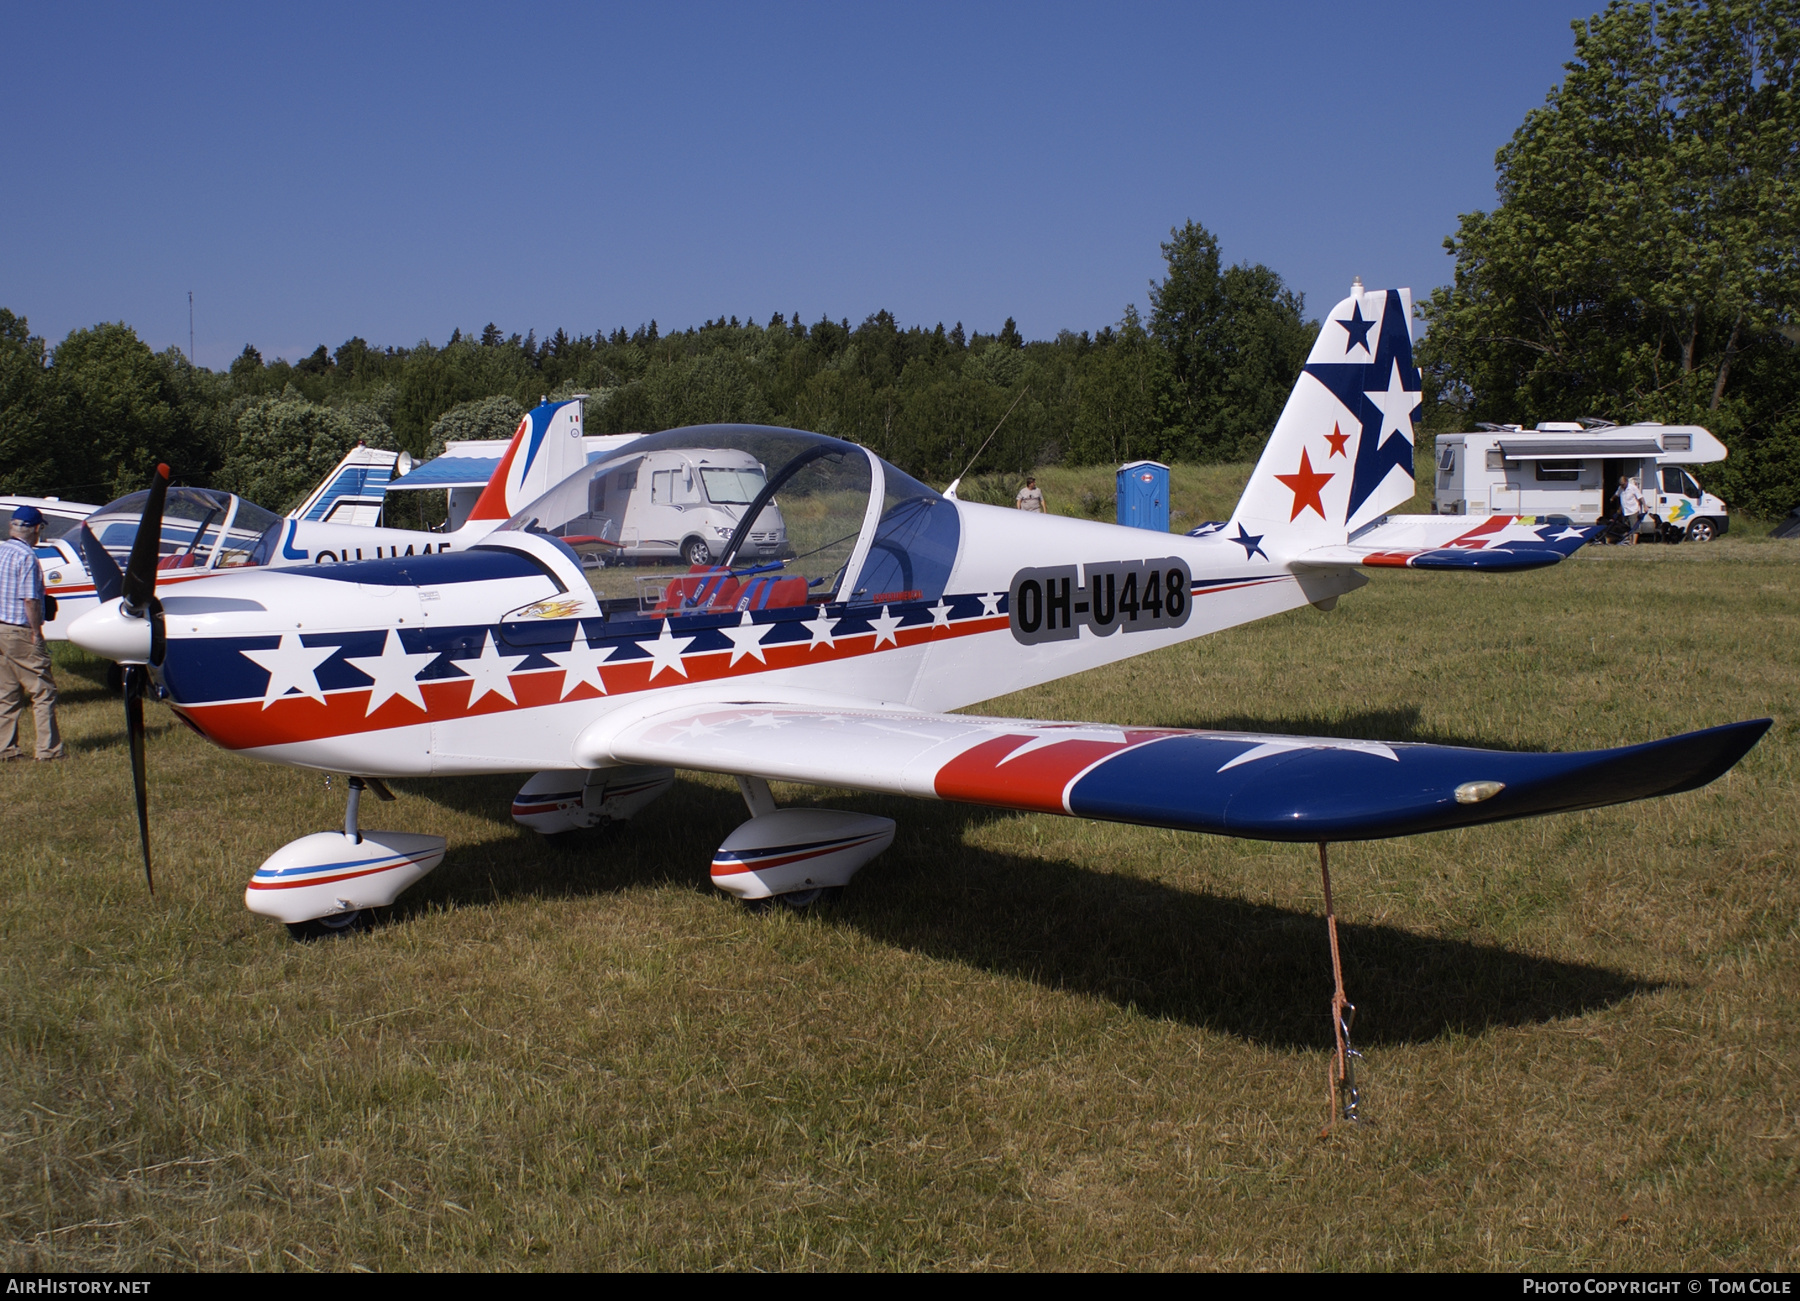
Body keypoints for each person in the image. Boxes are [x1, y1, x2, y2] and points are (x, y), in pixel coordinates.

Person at [0, 504, 64, 761]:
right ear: (37, 529)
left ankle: (6, 749)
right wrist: (36, 632)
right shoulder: (27, 557)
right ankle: (48, 751)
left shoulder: (1, 550)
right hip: (19, 630)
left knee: (6, 693)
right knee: (43, 691)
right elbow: (30, 600)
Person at [1618, 475, 1644, 546]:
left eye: (1623, 484)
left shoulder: (1633, 488)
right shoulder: (1620, 488)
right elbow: (1619, 497)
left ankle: (1634, 543)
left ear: (1626, 482)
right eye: (1621, 484)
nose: (1622, 485)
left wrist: (1645, 506)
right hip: (1625, 511)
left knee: (1634, 527)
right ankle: (1629, 541)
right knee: (1627, 527)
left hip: (1633, 510)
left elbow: (1640, 497)